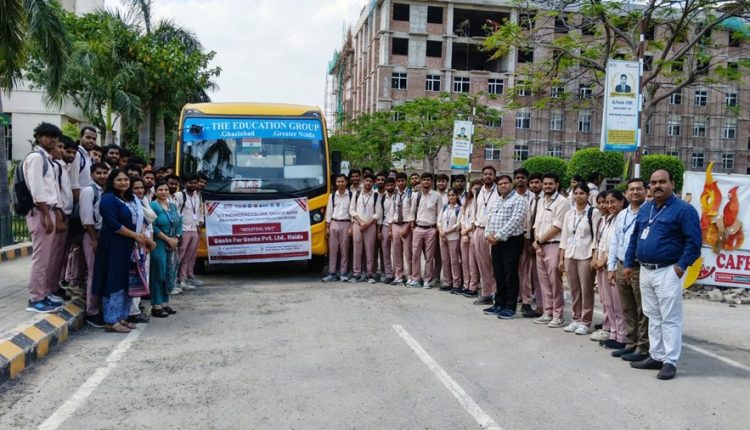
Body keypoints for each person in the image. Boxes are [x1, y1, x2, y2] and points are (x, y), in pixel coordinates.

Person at [624, 170, 701, 380]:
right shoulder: (646, 208)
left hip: (668, 270)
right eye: (653, 182)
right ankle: (656, 356)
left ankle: (670, 361)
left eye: (662, 182)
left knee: (670, 318)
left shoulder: (684, 210)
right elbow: (634, 237)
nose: (657, 186)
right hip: (645, 270)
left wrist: (680, 267)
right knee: (652, 315)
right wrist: (629, 263)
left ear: (672, 184)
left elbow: (694, 243)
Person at [91, 169, 149, 333]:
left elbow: (143, 218)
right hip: (114, 245)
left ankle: (122, 317)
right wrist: (136, 235)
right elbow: (113, 224)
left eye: (126, 179)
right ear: (112, 182)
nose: (123, 182)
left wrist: (142, 234)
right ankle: (111, 321)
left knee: (126, 281)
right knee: (114, 280)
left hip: (130, 245)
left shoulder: (132, 198)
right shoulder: (108, 199)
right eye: (119, 180)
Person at [24, 123, 66, 313]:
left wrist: (56, 213)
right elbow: (37, 189)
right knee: (41, 257)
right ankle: (35, 299)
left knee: (48, 257)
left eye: (55, 137)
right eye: (48, 136)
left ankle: (45, 292)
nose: (52, 140)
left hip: (49, 210)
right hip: (41, 211)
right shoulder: (36, 158)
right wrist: (46, 215)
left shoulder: (47, 160)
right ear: (39, 137)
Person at [607, 178, 650, 362]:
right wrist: (611, 267)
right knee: (627, 307)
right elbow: (615, 241)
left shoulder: (649, 211)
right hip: (621, 264)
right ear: (626, 194)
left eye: (639, 189)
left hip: (638, 266)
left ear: (646, 191)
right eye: (631, 189)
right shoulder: (622, 214)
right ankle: (630, 343)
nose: (635, 192)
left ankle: (643, 346)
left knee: (642, 309)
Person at [558, 182, 600, 335]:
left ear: (588, 195)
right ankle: (575, 319)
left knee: (586, 289)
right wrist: (561, 258)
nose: (578, 196)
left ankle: (585, 321)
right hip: (570, 254)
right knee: (574, 289)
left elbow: (596, 237)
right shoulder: (569, 213)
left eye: (582, 193)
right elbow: (564, 237)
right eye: (575, 193)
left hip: (585, 255)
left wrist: (594, 257)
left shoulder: (594, 212)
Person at [484, 175, 528, 319]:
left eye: (505, 183)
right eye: (500, 184)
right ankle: (499, 303)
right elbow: (490, 218)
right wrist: (488, 234)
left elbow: (515, 221)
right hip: (496, 242)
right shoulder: (498, 201)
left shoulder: (519, 200)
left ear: (511, 184)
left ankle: (510, 307)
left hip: (511, 241)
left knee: (510, 274)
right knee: (499, 273)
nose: (502, 186)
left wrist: (497, 236)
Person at [532, 173, 570, 328]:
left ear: (557, 184)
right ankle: (547, 312)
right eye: (545, 184)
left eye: (550, 184)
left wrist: (539, 241)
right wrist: (537, 243)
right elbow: (537, 224)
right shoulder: (541, 201)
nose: (547, 186)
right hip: (540, 246)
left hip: (554, 245)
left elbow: (557, 227)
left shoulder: (563, 202)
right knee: (544, 282)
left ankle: (558, 315)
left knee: (555, 282)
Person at [593, 190, 628, 349]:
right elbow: (601, 242)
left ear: (622, 202)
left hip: (612, 265)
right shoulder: (607, 219)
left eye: (613, 202)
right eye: (607, 202)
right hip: (603, 265)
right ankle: (613, 333)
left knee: (618, 303)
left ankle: (622, 336)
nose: (609, 205)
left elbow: (618, 244)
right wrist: (597, 260)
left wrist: (604, 260)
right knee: (608, 302)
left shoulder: (623, 219)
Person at [80, 163, 109, 327]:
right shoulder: (89, 191)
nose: (102, 176)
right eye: (99, 173)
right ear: (92, 175)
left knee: (103, 273)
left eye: (105, 173)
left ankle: (102, 308)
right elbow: (86, 218)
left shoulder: (106, 191)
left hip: (106, 236)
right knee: (93, 273)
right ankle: (92, 312)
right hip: (93, 235)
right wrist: (94, 239)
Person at [150, 181, 182, 317]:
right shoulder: (153, 206)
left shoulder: (172, 206)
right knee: (159, 272)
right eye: (160, 189)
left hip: (172, 244)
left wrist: (177, 238)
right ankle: (156, 305)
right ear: (155, 191)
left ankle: (165, 302)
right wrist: (168, 239)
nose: (163, 192)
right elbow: (153, 226)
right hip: (159, 243)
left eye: (166, 190)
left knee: (169, 272)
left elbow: (179, 223)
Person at [127, 177, 156, 324]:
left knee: (142, 276)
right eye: (136, 188)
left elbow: (148, 224)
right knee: (134, 278)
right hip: (136, 245)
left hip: (144, 246)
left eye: (141, 188)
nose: (139, 191)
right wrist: (148, 241)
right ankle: (132, 312)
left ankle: (136, 308)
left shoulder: (142, 201)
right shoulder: (130, 203)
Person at [408, 173, 441, 289]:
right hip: (418, 228)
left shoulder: (437, 196)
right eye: (424, 180)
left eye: (428, 180)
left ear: (431, 182)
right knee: (415, 255)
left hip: (431, 229)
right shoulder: (416, 195)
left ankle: (427, 279)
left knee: (429, 256)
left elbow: (440, 214)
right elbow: (412, 211)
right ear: (421, 181)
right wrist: (413, 226)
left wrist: (437, 229)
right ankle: (416, 278)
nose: (426, 182)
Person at [472, 166, 499, 305]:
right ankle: (486, 293)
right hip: (479, 229)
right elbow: (474, 210)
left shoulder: (499, 190)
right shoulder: (478, 191)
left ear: (495, 176)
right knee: (482, 264)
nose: (488, 176)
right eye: (485, 174)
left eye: (490, 174)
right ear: (482, 176)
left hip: (494, 232)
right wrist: (474, 228)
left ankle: (496, 293)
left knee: (495, 264)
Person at [175, 174, 205, 291]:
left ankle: (183, 280)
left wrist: (199, 222)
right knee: (178, 257)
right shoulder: (179, 195)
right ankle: (173, 281)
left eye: (195, 183)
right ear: (184, 183)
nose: (193, 185)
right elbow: (175, 212)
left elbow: (198, 211)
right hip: (183, 230)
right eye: (190, 183)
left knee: (188, 257)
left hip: (194, 229)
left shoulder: (197, 196)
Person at [349, 174, 380, 283]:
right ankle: (356, 274)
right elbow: (352, 210)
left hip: (370, 226)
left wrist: (367, 224)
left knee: (370, 250)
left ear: (373, 183)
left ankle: (369, 274)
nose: (368, 183)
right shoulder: (356, 194)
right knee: (357, 250)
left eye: (370, 181)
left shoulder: (376, 196)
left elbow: (378, 213)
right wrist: (360, 222)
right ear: (363, 181)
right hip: (357, 225)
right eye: (366, 181)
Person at [521, 172, 543, 318]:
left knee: (542, 277)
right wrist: (528, 241)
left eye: (537, 182)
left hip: (543, 243)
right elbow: (528, 222)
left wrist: (538, 242)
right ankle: (533, 304)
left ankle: (546, 307)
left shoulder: (546, 200)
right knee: (530, 275)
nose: (534, 185)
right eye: (532, 183)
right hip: (529, 241)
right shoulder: (530, 200)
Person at [323, 175, 352, 282]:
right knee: (333, 250)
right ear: (336, 183)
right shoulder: (332, 196)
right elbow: (329, 211)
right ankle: (332, 273)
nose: (340, 183)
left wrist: (351, 227)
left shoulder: (351, 195)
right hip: (334, 223)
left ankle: (343, 273)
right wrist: (327, 226)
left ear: (346, 182)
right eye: (338, 182)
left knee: (344, 250)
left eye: (342, 181)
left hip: (346, 223)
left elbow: (352, 212)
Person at [456, 179, 481, 297]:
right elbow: (463, 219)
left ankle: (473, 287)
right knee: (465, 262)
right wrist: (464, 233)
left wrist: (466, 232)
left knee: (472, 263)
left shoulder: (480, 202)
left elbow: (475, 220)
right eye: (474, 188)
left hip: (473, 235)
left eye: (478, 188)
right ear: (470, 189)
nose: (476, 190)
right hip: (464, 235)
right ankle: (465, 285)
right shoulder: (467, 201)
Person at [390, 172, 413, 285]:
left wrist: (408, 227)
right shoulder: (394, 194)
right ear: (396, 182)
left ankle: (411, 276)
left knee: (408, 253)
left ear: (406, 181)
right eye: (398, 181)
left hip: (406, 224)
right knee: (397, 252)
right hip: (395, 224)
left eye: (402, 181)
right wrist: (390, 229)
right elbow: (391, 212)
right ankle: (398, 275)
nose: (400, 183)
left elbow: (413, 212)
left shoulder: (411, 194)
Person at [437, 189, 462, 291]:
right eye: (449, 195)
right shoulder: (444, 208)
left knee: (454, 261)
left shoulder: (460, 209)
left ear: (457, 196)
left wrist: (446, 231)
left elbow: (458, 224)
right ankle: (447, 281)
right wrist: (441, 231)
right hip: (443, 237)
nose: (451, 197)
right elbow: (439, 221)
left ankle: (456, 283)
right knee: (445, 260)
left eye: (453, 195)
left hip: (453, 237)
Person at [377, 176, 396, 284]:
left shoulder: (399, 197)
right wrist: (379, 230)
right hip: (385, 225)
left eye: (391, 185)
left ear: (394, 185)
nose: (389, 187)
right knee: (385, 251)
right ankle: (388, 274)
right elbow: (380, 215)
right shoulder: (383, 198)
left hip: (396, 225)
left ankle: (398, 273)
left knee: (397, 252)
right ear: (385, 186)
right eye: (388, 185)